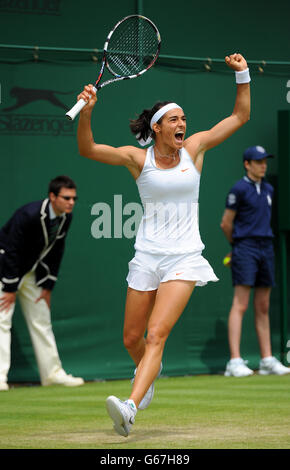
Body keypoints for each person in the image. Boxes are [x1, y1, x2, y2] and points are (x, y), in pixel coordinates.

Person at [77, 53, 251, 437]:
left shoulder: (195, 149)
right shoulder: (138, 161)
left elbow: (239, 117)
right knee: (131, 338)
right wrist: (87, 111)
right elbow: (88, 149)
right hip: (146, 257)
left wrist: (243, 74)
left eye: (184, 119)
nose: (183, 124)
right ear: (156, 128)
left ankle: (130, 406)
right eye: (174, 119)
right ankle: (148, 374)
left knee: (156, 335)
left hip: (185, 258)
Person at [0, 175, 84, 391]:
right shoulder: (28, 214)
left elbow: (57, 250)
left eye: (74, 198)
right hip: (6, 268)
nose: (71, 202)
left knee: (41, 319)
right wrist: (9, 287)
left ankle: (52, 374)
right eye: (66, 198)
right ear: (52, 197)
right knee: (2, 320)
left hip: (30, 273)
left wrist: (48, 286)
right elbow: (10, 250)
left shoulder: (66, 217)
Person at [221, 146, 290, 377]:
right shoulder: (238, 189)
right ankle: (234, 361)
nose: (263, 165)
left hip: (266, 248)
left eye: (265, 161)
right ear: (247, 164)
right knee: (240, 304)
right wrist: (237, 247)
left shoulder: (269, 189)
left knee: (263, 306)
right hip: (245, 247)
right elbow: (226, 224)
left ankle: (267, 359)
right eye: (258, 161)